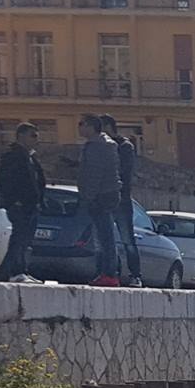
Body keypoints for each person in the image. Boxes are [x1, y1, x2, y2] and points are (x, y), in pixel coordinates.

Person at [0, 122, 45, 282]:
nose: (36, 139)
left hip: (31, 206)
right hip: (20, 206)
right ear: (21, 136)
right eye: (33, 135)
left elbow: (36, 181)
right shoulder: (13, 156)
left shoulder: (30, 157)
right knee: (19, 238)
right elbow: (3, 178)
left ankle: (20, 270)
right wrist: (14, 200)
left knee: (25, 240)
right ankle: (11, 272)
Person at [76, 113, 122, 286]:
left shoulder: (97, 146)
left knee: (105, 237)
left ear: (90, 126)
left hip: (100, 195)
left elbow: (95, 173)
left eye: (81, 124)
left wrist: (89, 195)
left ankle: (109, 274)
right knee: (103, 236)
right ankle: (106, 273)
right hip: (106, 194)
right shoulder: (103, 144)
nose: (79, 127)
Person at [103, 116, 141, 286]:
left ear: (109, 127)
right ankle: (111, 274)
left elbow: (124, 172)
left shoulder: (125, 147)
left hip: (121, 199)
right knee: (107, 240)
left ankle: (135, 275)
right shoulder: (99, 146)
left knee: (127, 240)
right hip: (104, 199)